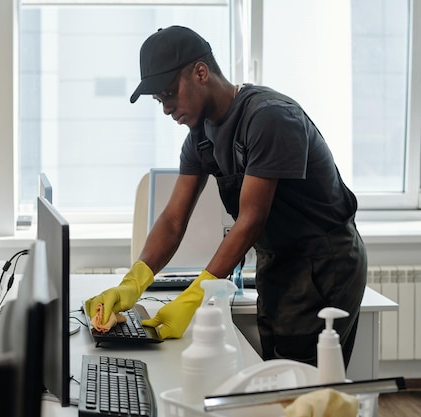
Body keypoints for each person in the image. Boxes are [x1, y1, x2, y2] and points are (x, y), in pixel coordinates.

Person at [85, 25, 367, 368]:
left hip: (324, 263)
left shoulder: (269, 119)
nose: (166, 109)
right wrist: (133, 282)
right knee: (277, 375)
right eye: (160, 100)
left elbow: (250, 221)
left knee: (304, 386)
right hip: (278, 261)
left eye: (170, 93)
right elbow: (174, 221)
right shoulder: (200, 137)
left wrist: (194, 298)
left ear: (200, 73)